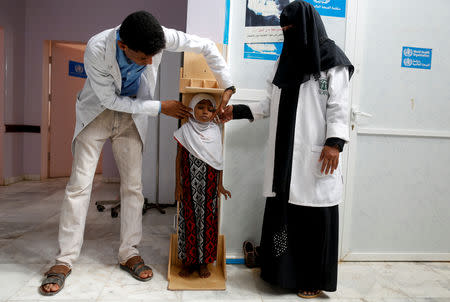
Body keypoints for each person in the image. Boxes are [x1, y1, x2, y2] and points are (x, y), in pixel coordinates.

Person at [39, 11, 235, 296]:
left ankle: (129, 252)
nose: (148, 63)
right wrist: (159, 107)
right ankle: (64, 260)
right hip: (98, 114)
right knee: (78, 187)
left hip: (132, 117)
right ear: (122, 46)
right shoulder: (97, 48)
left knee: (133, 187)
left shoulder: (160, 36)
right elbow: (109, 99)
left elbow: (205, 45)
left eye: (152, 57)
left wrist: (227, 83)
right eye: (143, 58)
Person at [220, 1, 354, 299]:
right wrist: (238, 111)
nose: (286, 34)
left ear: (307, 26)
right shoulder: (284, 61)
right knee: (283, 216)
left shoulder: (332, 60)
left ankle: (311, 278)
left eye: (290, 28)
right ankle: (279, 271)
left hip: (315, 155)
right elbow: (269, 104)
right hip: (283, 157)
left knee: (312, 221)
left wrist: (334, 143)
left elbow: (339, 107)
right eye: (283, 29)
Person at [174, 94, 231, 278]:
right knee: (188, 220)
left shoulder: (215, 131)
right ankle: (188, 262)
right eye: (200, 107)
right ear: (192, 108)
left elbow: (218, 159)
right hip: (189, 185)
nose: (205, 111)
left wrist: (220, 185)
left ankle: (203, 262)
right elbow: (178, 158)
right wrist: (178, 185)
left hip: (210, 186)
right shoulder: (185, 130)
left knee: (207, 222)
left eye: (209, 108)